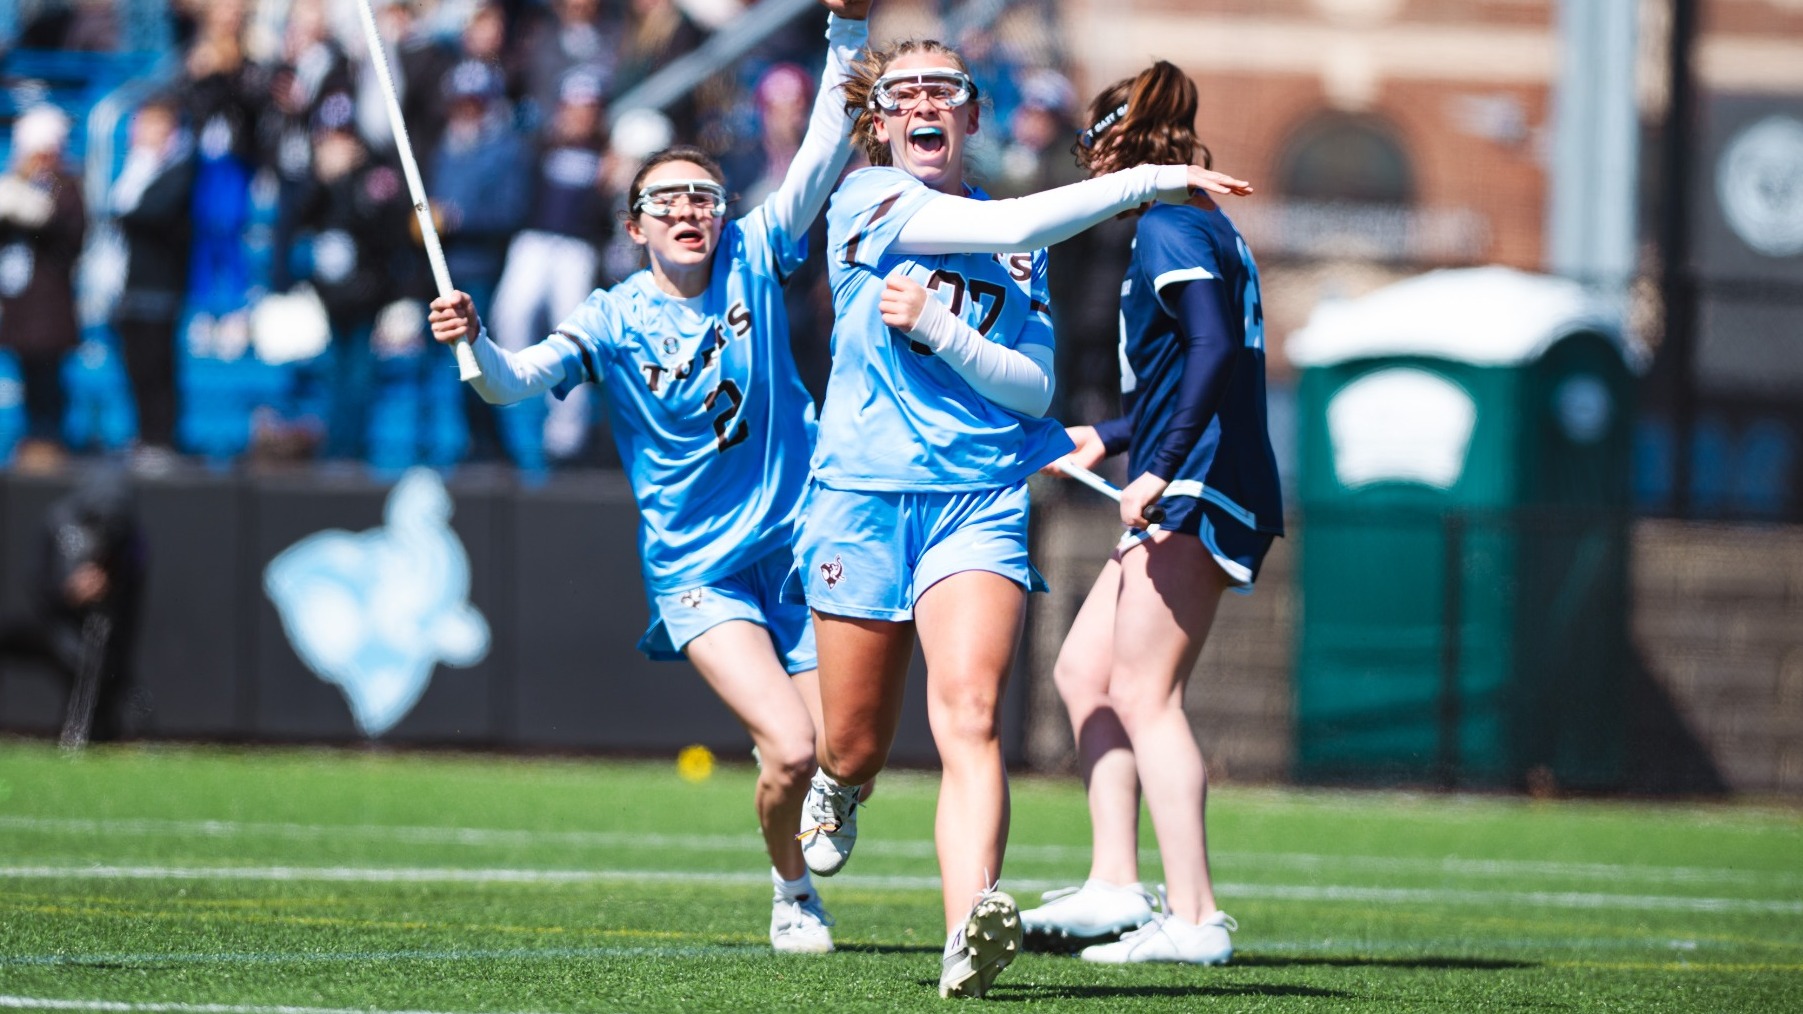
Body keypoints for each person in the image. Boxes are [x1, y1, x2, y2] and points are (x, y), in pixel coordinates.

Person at [787, 40, 1251, 998]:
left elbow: (1033, 384)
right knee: (855, 741)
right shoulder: (864, 198)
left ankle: (968, 929)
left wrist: (943, 330)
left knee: (968, 714)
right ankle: (838, 784)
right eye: (904, 91)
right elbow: (1028, 215)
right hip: (862, 496)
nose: (923, 103)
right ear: (879, 121)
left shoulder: (1013, 240)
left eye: (943, 90)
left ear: (970, 115)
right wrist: (1154, 178)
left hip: (979, 495)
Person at [427, 0, 872, 955]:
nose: (687, 211)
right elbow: (513, 382)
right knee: (791, 749)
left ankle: (823, 807)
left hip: (799, 547)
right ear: (634, 226)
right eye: (664, 201)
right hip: (699, 567)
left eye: (702, 197)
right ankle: (791, 891)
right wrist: (474, 343)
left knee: (844, 752)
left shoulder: (757, 252)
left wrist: (847, 32)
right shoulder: (612, 316)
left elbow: (824, 147)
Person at [1020, 60, 1283, 966]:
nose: (1085, 166)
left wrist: (1159, 465)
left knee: (1143, 691)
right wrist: (1107, 435)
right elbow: (1187, 370)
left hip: (1200, 481)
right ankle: (1112, 885)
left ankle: (1195, 917)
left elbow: (1212, 350)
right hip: (1191, 470)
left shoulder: (1170, 223)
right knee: (1084, 674)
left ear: (1117, 145)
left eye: (1089, 145)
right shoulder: (1188, 220)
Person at [0, 468, 145, 748]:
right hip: (48, 621)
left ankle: (81, 741)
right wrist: (68, 591)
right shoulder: (60, 520)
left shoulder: (129, 536)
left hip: (96, 632)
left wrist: (110, 582)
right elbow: (37, 582)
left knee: (96, 667)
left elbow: (131, 587)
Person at [111, 96, 197, 472]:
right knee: (136, 365)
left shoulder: (179, 168)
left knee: (158, 363)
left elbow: (147, 214)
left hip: (160, 285)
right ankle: (145, 435)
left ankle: (162, 439)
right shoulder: (133, 168)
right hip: (130, 285)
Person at [0, 104, 85, 473]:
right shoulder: (15, 184)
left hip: (48, 309)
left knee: (49, 380)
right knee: (29, 380)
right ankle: (34, 439)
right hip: (18, 306)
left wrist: (33, 211)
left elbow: (67, 237)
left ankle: (49, 441)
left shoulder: (66, 187)